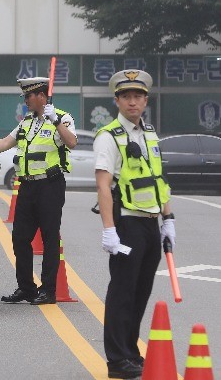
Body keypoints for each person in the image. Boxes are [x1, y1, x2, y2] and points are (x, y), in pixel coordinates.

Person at [0, 77, 77, 305]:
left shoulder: (62, 118)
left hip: (50, 185)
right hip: (26, 185)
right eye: (25, 96)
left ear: (41, 96)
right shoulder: (27, 122)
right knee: (20, 238)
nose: (26, 100)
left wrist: (55, 121)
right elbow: (6, 142)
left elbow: (72, 142)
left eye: (28, 96)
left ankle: (48, 290)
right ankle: (26, 288)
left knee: (49, 238)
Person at [93, 69, 175, 379]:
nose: (132, 101)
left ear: (145, 100)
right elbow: (103, 185)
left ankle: (131, 352)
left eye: (138, 96)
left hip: (151, 224)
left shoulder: (150, 134)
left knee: (140, 292)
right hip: (126, 224)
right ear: (117, 100)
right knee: (122, 293)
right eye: (126, 96)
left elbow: (159, 180)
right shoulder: (108, 136)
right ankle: (117, 360)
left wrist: (168, 219)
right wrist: (109, 229)